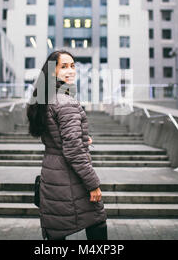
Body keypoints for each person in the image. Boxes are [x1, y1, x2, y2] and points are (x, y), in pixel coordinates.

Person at [27, 50, 108, 241]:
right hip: (70, 178)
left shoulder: (45, 99)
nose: (71, 70)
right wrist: (93, 185)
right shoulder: (66, 102)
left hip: (52, 176)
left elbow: (56, 137)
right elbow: (73, 151)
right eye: (64, 67)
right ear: (52, 72)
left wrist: (80, 139)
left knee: (56, 230)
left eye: (72, 66)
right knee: (97, 221)